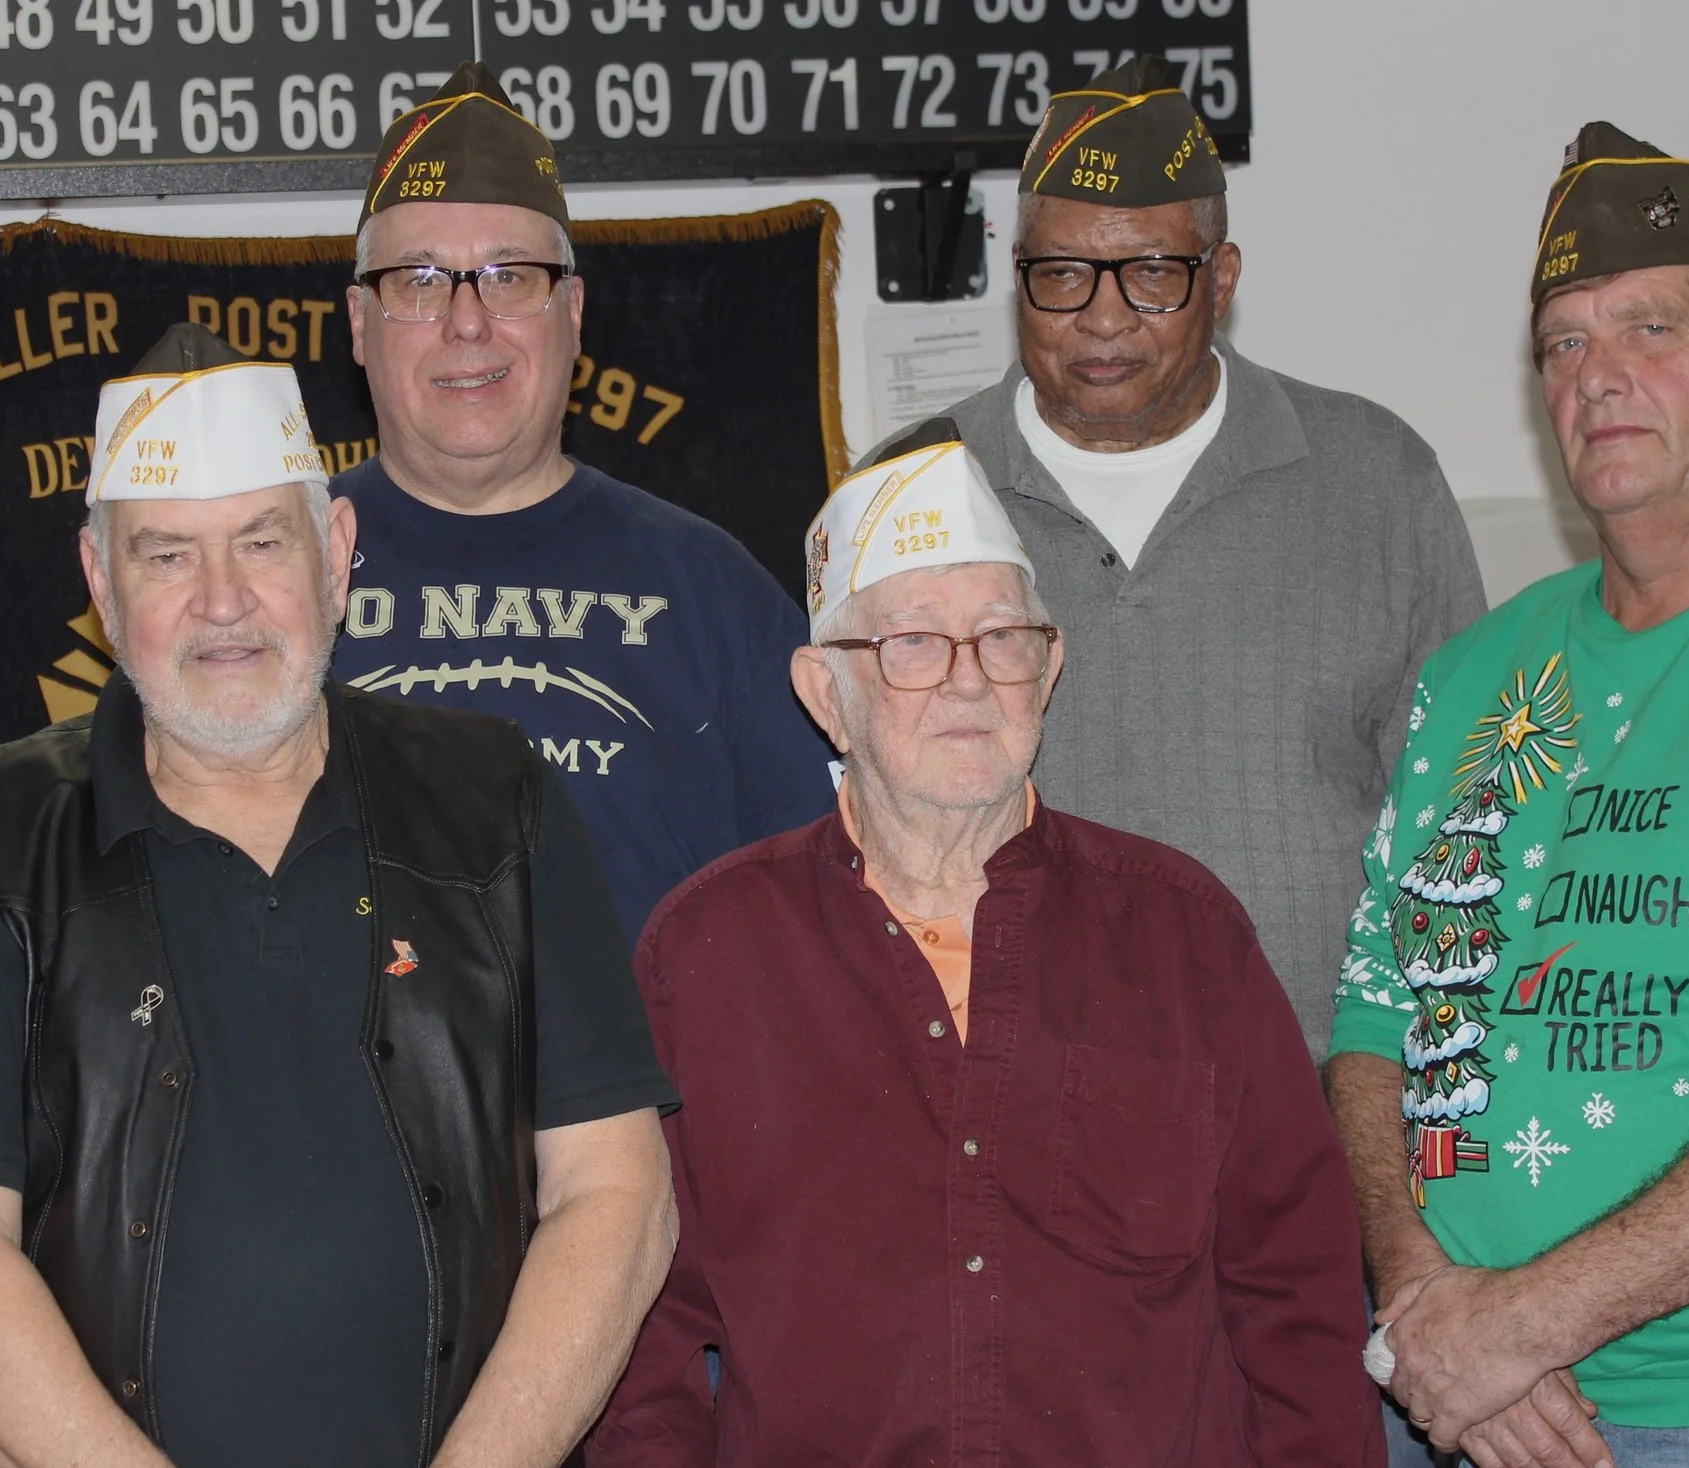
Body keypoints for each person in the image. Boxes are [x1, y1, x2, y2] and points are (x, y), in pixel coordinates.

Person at [0, 323, 679, 1467]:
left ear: (337, 550)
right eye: (165, 555)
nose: (222, 601)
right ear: (100, 581)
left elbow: (618, 1198)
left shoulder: (497, 802)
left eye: (261, 541)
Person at [591, 426, 1380, 1465]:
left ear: (1047, 671)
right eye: (911, 642)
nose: (969, 680)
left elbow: (1299, 1300)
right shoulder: (708, 954)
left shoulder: (1182, 936)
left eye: (1002, 636)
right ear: (827, 693)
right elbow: (635, 1320)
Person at [1330, 122, 1689, 1468]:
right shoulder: (1477, 672)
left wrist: (1518, 1325)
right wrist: (1429, 1304)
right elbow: (1377, 1021)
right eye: (1564, 343)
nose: (1598, 378)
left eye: (1652, 329)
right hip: (1448, 1399)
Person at [904, 55, 1484, 1057]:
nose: (1102, 314)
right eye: (1061, 274)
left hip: (1312, 1125)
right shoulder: (915, 489)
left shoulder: (1375, 480)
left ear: (1220, 278)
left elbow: (1465, 829)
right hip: (998, 1125)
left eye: (1152, 274)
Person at [331, 62, 835, 946]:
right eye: (417, 281)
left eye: (509, 276)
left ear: (573, 313)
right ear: (359, 324)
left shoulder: (710, 587)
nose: (467, 323)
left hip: (654, 1087)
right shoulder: (268, 575)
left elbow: (823, 911)